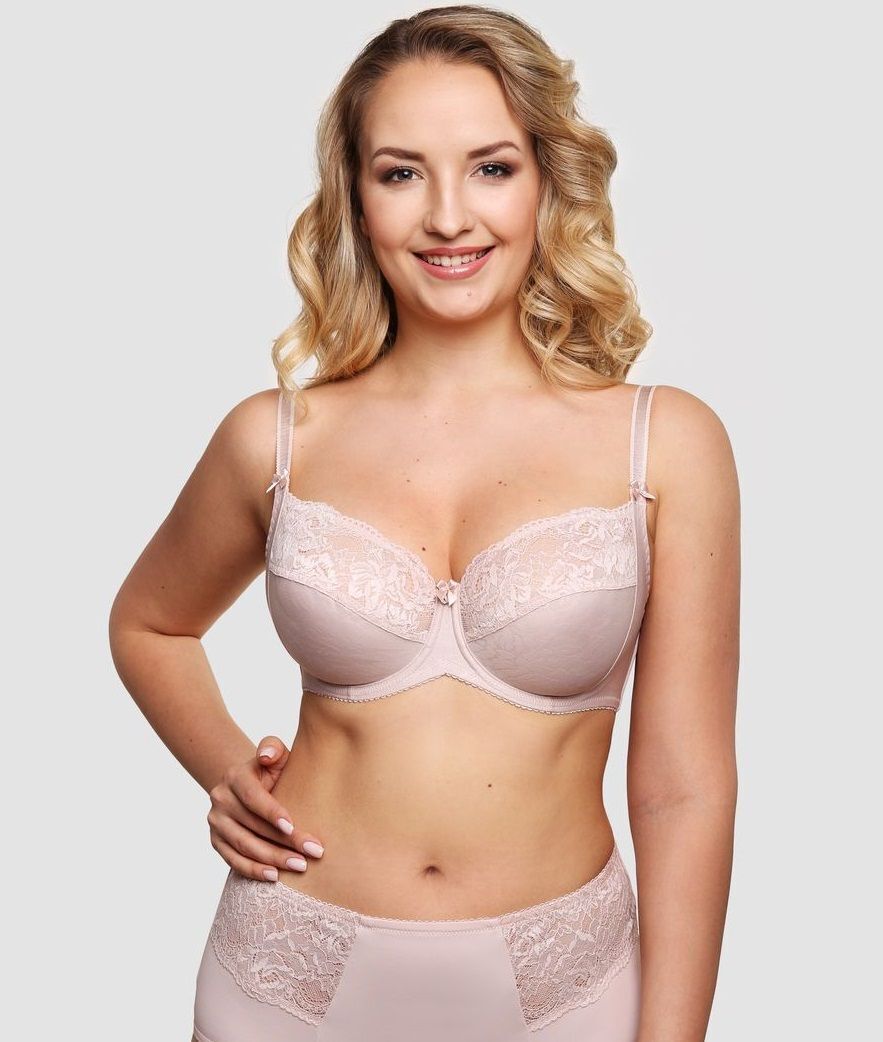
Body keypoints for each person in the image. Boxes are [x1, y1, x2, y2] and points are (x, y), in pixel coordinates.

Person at [108, 6, 740, 1041]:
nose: (449, 217)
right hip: (284, 980)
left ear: (546, 182)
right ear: (355, 199)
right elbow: (149, 623)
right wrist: (226, 767)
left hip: (563, 995)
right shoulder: (275, 438)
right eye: (401, 173)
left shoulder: (663, 445)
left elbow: (683, 789)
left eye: (490, 167)